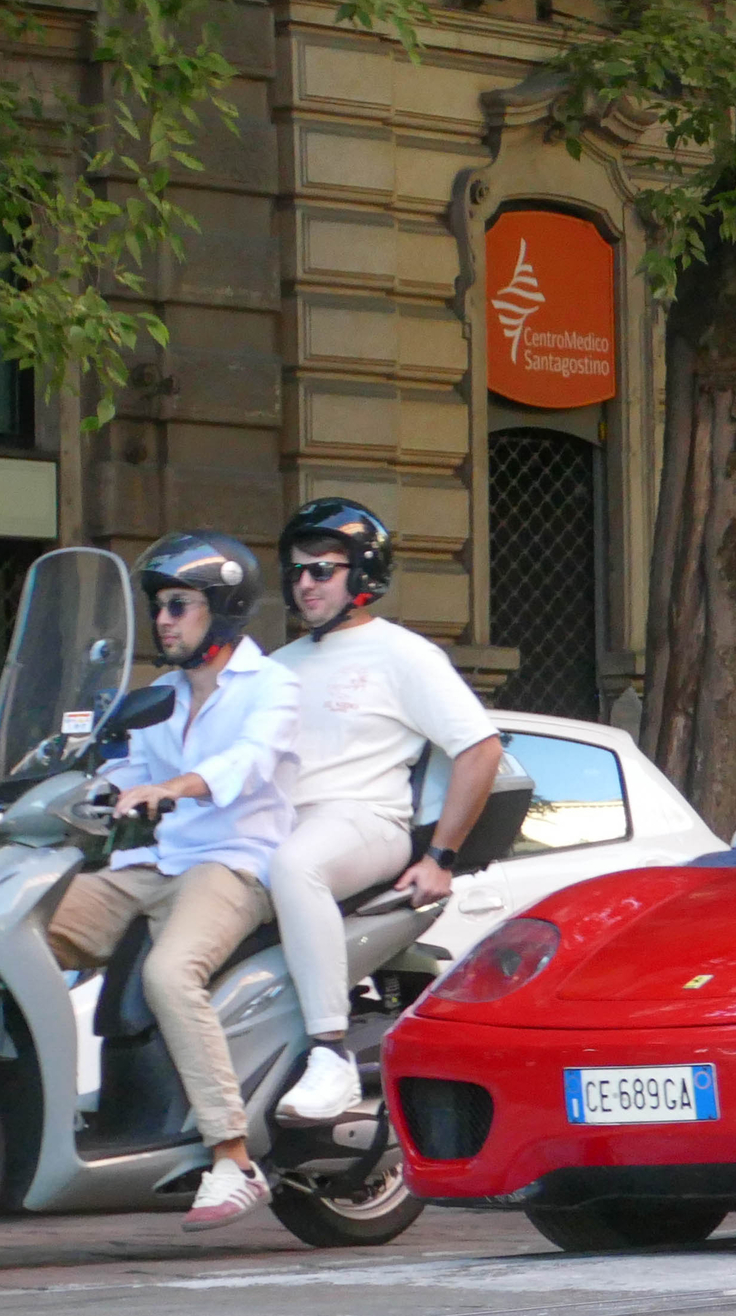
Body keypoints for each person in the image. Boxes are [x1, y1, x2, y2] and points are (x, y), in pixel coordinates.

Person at [44, 533, 301, 1232]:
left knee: (169, 972)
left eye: (178, 605)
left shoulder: (272, 686)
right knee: (31, 933)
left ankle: (231, 1154)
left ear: (220, 608)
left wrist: (172, 786)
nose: (163, 619)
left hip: (235, 860)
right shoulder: (157, 696)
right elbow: (124, 773)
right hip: (155, 862)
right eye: (159, 606)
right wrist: (71, 788)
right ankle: (40, 1109)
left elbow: (248, 764)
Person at [268, 498, 507, 1125]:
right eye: (296, 571)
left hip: (364, 821)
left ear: (363, 575)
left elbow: (479, 748)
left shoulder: (402, 654)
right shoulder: (274, 667)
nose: (305, 583)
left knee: (298, 867)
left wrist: (440, 858)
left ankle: (328, 1053)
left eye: (322, 569)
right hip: (283, 825)